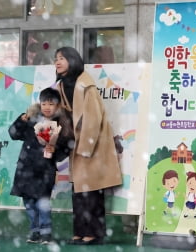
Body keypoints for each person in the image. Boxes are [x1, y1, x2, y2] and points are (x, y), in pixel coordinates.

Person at [54, 47, 122, 245]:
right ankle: (81, 231)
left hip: (92, 144)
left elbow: (93, 118)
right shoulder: (62, 85)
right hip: (76, 143)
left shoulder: (85, 85)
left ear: (72, 60)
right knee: (79, 191)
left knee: (91, 191)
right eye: (56, 59)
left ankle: (93, 233)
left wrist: (85, 145)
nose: (57, 62)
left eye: (62, 58)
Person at [8, 88, 73, 245]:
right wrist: (22, 119)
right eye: (44, 103)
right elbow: (13, 133)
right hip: (26, 169)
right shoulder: (31, 119)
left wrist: (54, 148)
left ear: (58, 106)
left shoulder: (61, 124)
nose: (47, 107)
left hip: (45, 170)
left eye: (51, 104)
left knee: (43, 202)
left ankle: (46, 233)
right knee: (29, 203)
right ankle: (35, 231)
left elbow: (66, 149)